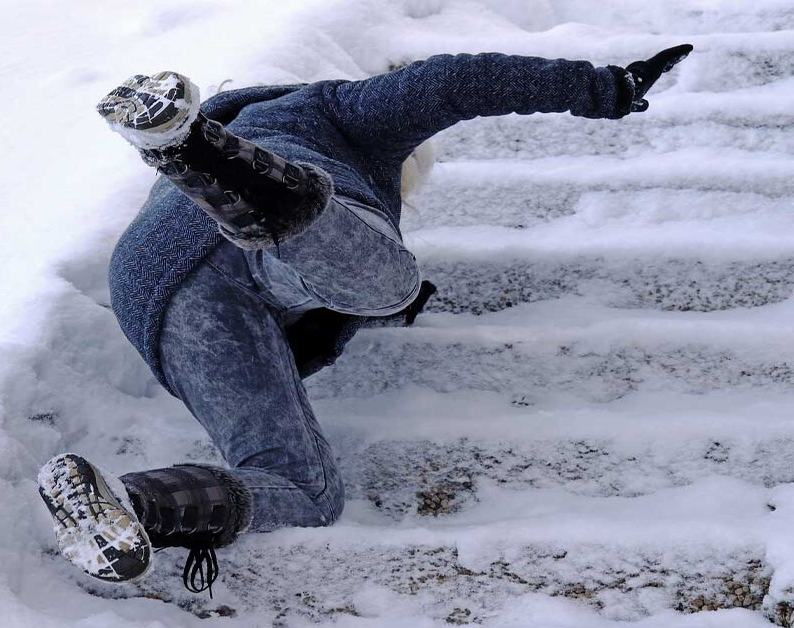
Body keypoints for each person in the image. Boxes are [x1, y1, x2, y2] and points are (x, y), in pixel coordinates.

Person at [36, 44, 694, 594]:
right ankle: (270, 196)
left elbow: (291, 343)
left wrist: (320, 336)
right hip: (264, 225)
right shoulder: (333, 108)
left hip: (155, 283)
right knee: (389, 281)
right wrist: (606, 87)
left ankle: (131, 507)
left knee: (307, 490)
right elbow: (451, 82)